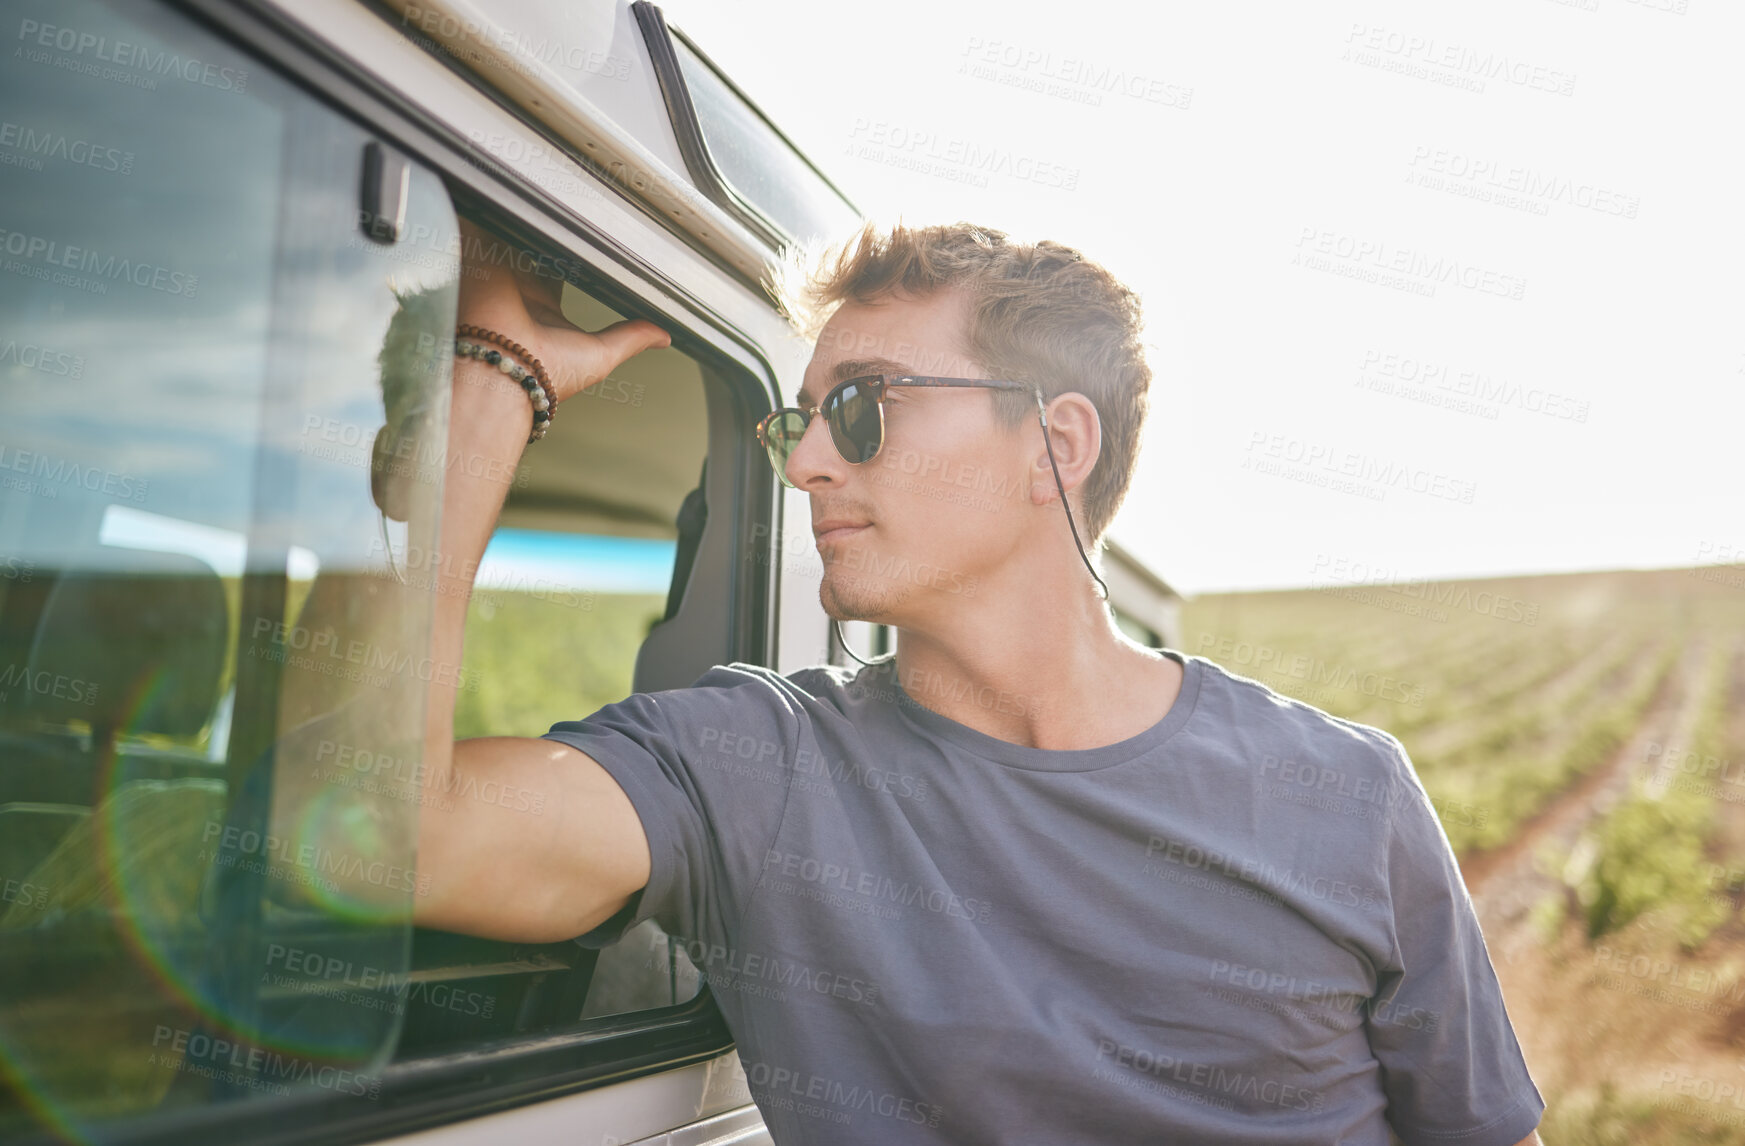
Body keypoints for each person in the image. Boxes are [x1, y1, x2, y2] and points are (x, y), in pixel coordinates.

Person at [412, 219, 1546, 1145]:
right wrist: (489, 385)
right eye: (801, 424)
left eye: (862, 407)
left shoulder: (1347, 791)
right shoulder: (755, 766)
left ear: (1054, 444)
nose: (807, 462)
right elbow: (388, 838)